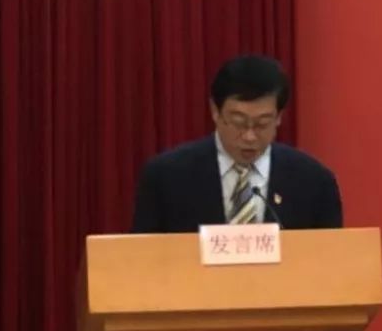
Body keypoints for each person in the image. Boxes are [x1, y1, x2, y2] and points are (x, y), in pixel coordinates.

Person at [131, 55, 343, 233]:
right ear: (215, 111)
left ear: (279, 117)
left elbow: (331, 260)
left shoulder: (314, 182)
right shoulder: (166, 178)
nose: (249, 136)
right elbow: (142, 258)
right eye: (239, 122)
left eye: (262, 124)